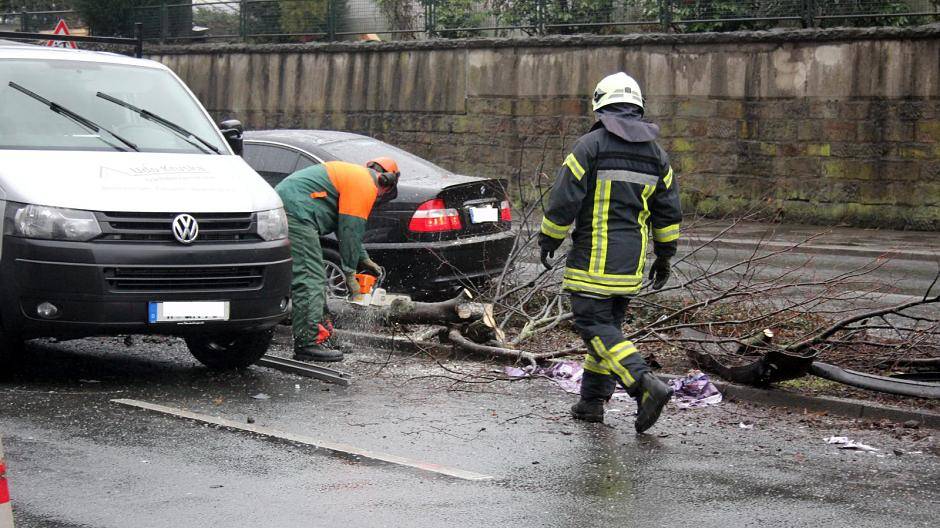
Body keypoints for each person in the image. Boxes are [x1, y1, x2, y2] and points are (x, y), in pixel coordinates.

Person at [538, 72, 682, 433]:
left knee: (593, 325)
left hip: (594, 260)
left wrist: (549, 238)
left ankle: (642, 384)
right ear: (638, 106)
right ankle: (591, 402)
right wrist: (665, 255)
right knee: (608, 331)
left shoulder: (590, 146)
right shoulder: (657, 156)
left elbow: (564, 199)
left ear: (600, 105)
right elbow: (668, 212)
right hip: (631, 264)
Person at [275, 158, 399, 362]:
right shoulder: (366, 185)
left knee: (316, 278)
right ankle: (308, 343)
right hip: (296, 214)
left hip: (297, 210)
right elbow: (350, 230)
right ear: (387, 182)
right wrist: (350, 274)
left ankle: (322, 336)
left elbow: (347, 229)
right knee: (310, 278)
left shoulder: (356, 177)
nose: (380, 197)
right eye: (384, 194)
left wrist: (364, 259)